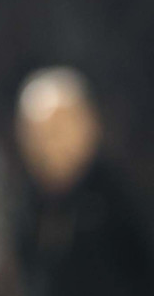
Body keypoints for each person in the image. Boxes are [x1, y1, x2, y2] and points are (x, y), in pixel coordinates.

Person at [13, 66, 153, 295]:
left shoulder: (126, 201)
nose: (49, 145)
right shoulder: (26, 208)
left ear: (90, 125)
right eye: (37, 134)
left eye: (59, 129)